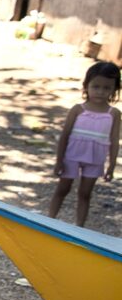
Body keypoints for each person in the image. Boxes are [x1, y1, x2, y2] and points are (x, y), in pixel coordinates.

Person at [48, 61, 121, 226]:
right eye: (96, 86)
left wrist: (111, 166)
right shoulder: (78, 110)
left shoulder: (114, 114)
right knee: (62, 189)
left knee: (85, 193)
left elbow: (114, 142)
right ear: (86, 86)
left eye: (106, 88)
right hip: (71, 157)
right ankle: (48, 220)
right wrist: (59, 160)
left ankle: (79, 228)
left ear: (114, 90)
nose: (100, 92)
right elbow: (65, 136)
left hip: (96, 159)